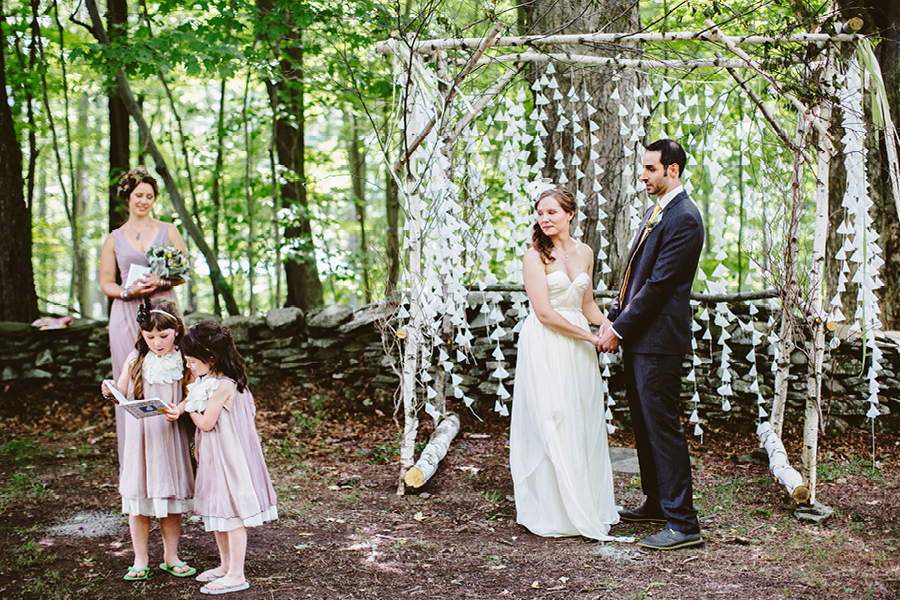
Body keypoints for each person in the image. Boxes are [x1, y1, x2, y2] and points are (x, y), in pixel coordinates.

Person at [597, 139, 704, 550]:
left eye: (651, 168)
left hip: (659, 339)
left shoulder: (684, 218)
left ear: (672, 170)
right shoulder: (657, 210)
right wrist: (614, 312)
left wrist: (618, 329)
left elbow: (659, 285)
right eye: (643, 168)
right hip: (641, 336)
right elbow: (636, 276)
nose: (643, 175)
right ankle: (658, 501)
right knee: (643, 425)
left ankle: (683, 524)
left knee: (662, 427)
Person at [508, 183, 620, 540]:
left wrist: (610, 328)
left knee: (580, 417)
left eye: (552, 212)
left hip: (579, 345)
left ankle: (585, 500)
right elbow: (544, 313)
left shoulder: (585, 252)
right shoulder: (533, 257)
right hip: (548, 342)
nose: (544, 219)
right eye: (540, 213)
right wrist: (590, 338)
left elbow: (585, 305)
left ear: (570, 214)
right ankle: (553, 508)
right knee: (553, 415)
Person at [165, 320, 277, 595]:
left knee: (231, 513)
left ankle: (237, 574)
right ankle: (225, 565)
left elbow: (205, 423)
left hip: (229, 456)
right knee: (218, 510)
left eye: (192, 360)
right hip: (214, 455)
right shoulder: (208, 379)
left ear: (211, 358)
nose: (189, 366)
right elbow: (194, 397)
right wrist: (178, 409)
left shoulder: (224, 385)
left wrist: (189, 409)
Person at [100, 297, 195, 581]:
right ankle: (140, 558)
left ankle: (171, 555)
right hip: (141, 438)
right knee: (140, 497)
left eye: (163, 335)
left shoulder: (184, 359)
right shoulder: (136, 357)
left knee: (170, 496)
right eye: (149, 335)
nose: (156, 342)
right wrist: (110, 389)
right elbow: (122, 390)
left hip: (170, 435)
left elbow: (195, 393)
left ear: (176, 330)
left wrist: (180, 408)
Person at [99, 167, 187, 468]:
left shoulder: (168, 231)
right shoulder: (114, 238)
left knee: (169, 374)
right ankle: (135, 461)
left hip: (162, 307)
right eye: (139, 195)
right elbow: (106, 282)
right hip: (126, 313)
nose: (144, 201)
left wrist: (159, 283)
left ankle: (173, 458)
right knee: (132, 379)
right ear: (128, 196)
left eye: (150, 196)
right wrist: (127, 290)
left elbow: (181, 274)